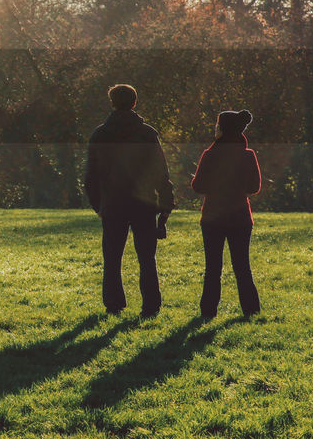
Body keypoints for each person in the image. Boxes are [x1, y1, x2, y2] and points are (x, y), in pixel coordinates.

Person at [84, 84, 175, 317]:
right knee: (147, 257)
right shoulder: (147, 133)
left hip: (113, 204)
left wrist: (99, 206)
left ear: (111, 102)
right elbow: (160, 172)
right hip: (143, 204)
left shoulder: (100, 134)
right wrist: (165, 205)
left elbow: (91, 176)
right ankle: (151, 306)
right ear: (134, 103)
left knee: (112, 257)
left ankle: (114, 303)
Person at [191, 109, 262, 318]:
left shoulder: (210, 154)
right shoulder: (248, 155)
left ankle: (208, 310)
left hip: (213, 217)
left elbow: (198, 186)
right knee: (242, 266)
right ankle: (251, 310)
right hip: (240, 216)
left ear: (222, 129)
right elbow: (254, 187)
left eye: (217, 125)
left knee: (212, 267)